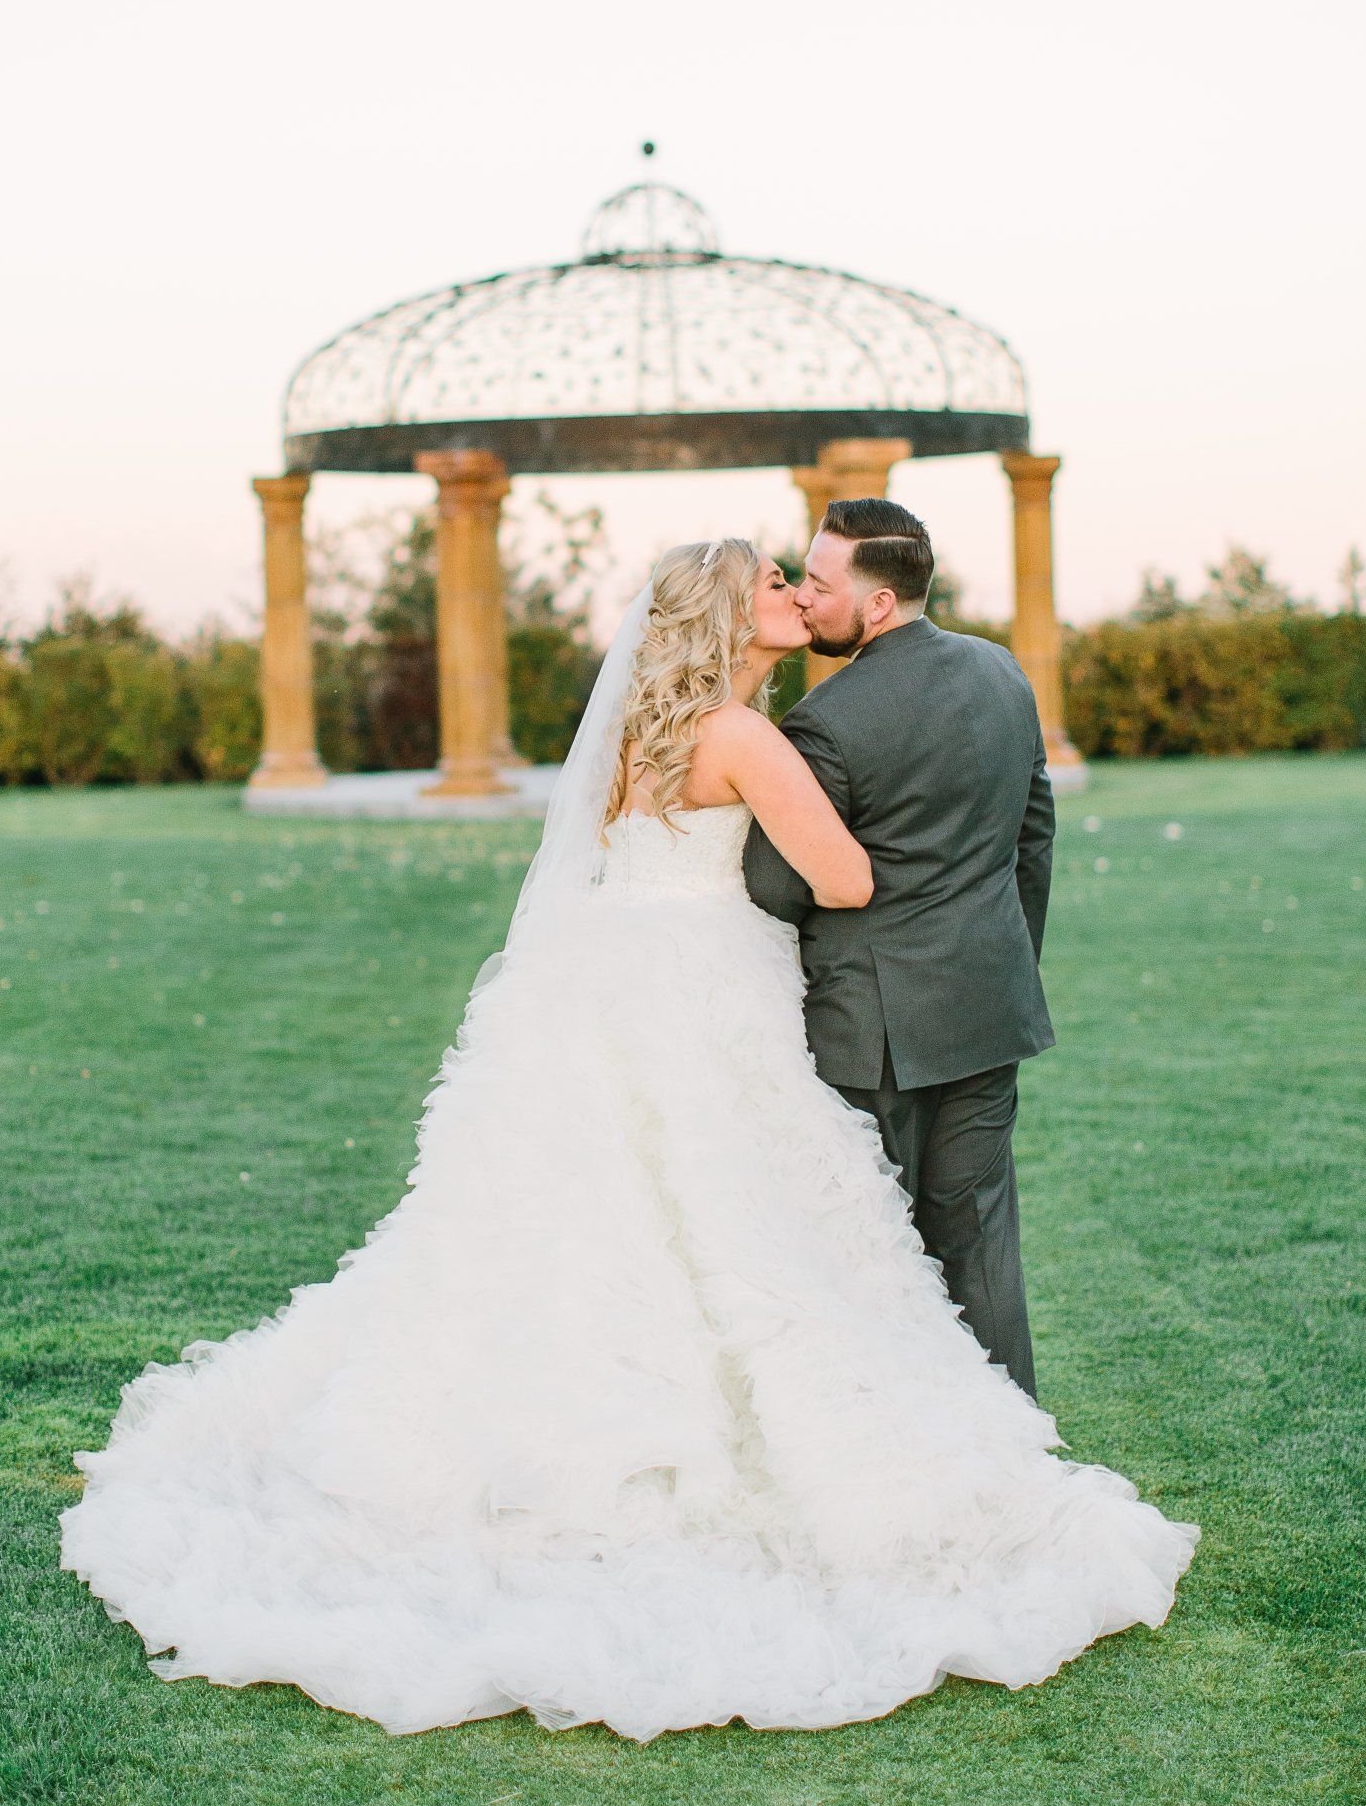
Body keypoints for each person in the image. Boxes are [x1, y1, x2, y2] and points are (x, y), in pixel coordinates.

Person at [62, 539, 1195, 1740]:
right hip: (711, 993)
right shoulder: (746, 737)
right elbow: (845, 881)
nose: (792, 593)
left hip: (605, 989)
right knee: (741, 1220)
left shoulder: (628, 738)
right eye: (773, 584)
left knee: (585, 1222)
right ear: (731, 616)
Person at [743, 497, 1052, 1397]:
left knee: (872, 1250)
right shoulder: (1002, 673)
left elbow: (774, 885)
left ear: (877, 604)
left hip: (868, 1031)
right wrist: (1006, 962)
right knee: (980, 1241)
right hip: (989, 1007)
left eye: (819, 582)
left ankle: (897, 1439)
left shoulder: (826, 722)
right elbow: (1033, 838)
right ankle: (1012, 1440)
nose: (805, 598)